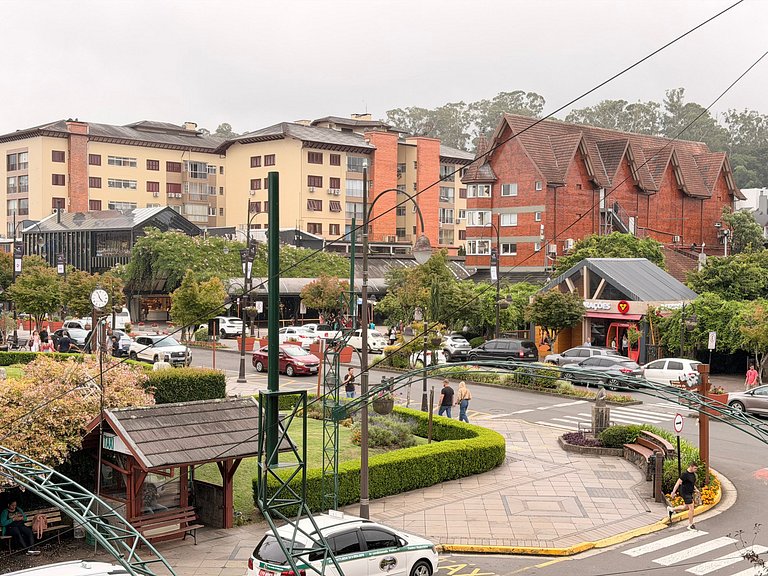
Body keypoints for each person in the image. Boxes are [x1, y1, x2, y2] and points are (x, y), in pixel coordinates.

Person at [667, 462, 700, 530]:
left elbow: (691, 483)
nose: (696, 470)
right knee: (691, 508)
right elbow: (678, 483)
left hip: (689, 492)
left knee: (685, 507)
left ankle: (671, 509)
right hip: (685, 492)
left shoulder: (693, 474)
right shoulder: (685, 474)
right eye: (695, 468)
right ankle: (690, 525)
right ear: (691, 467)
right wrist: (673, 492)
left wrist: (696, 489)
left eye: (696, 468)